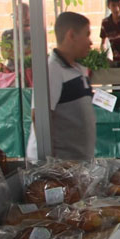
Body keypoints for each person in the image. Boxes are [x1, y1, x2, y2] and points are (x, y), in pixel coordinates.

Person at [28, 12, 95, 161]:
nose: (90, 42)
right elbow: (39, 116)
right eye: (87, 34)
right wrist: (52, 163)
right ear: (71, 35)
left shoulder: (77, 69)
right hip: (60, 166)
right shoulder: (52, 69)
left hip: (75, 162)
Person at [1, 3, 31, 72]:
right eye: (23, 17)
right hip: (13, 71)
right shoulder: (8, 34)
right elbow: (6, 54)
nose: (26, 20)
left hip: (31, 71)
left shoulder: (36, 34)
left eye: (27, 17)